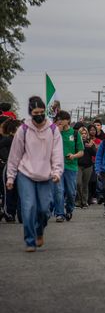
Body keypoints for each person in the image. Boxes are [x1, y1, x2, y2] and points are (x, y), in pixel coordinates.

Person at [6, 96, 64, 252]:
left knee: (44, 209)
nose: (39, 115)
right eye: (35, 112)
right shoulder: (23, 130)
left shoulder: (53, 130)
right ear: (30, 113)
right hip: (26, 173)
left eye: (41, 112)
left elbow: (57, 153)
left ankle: (39, 231)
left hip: (46, 175)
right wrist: (11, 176)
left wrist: (57, 171)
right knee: (29, 206)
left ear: (45, 111)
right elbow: (15, 155)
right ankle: (30, 240)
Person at [53, 110, 84, 222]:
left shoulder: (75, 134)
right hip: (57, 168)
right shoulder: (54, 132)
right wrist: (56, 132)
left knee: (71, 192)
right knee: (59, 191)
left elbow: (81, 152)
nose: (60, 121)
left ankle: (69, 209)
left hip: (71, 167)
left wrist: (73, 156)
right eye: (58, 119)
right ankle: (59, 214)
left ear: (68, 120)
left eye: (62, 119)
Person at [1, 119, 21, 222]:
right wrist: (6, 159)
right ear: (13, 130)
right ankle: (9, 213)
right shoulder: (8, 139)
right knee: (9, 191)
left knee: (19, 191)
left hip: (20, 168)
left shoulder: (21, 140)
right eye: (19, 127)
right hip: (9, 167)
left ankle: (20, 214)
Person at [75, 126, 95, 209]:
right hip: (78, 165)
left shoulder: (90, 142)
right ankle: (78, 201)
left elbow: (94, 154)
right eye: (81, 133)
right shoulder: (76, 142)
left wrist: (91, 146)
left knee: (85, 184)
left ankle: (84, 202)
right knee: (78, 183)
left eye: (85, 133)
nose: (83, 135)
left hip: (88, 166)